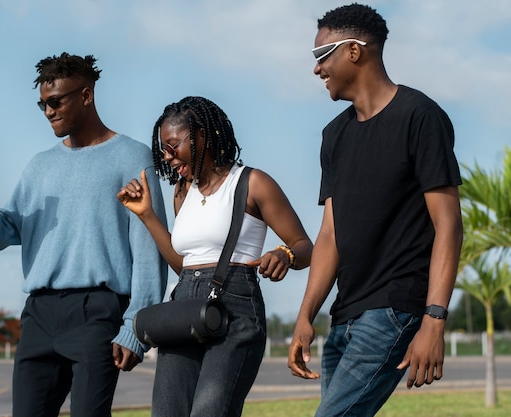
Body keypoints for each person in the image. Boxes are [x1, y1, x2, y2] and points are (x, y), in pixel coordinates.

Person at [0, 52, 167, 417]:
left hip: (98, 313)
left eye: (55, 102)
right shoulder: (39, 167)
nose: (48, 111)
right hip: (39, 314)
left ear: (85, 96)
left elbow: (149, 253)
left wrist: (135, 326)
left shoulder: (132, 157)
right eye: (42, 105)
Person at [287, 4, 463, 416]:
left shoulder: (420, 116)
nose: (316, 70)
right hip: (344, 315)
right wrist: (304, 315)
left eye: (320, 56)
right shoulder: (334, 136)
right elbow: (330, 234)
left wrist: (433, 320)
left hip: (393, 309)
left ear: (354, 50)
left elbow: (449, 225)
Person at [117, 95, 313, 416]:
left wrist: (285, 254)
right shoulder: (182, 192)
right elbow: (185, 265)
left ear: (202, 136)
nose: (167, 157)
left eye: (173, 145)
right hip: (184, 308)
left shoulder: (253, 183)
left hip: (236, 307)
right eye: (162, 149)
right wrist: (147, 215)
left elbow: (305, 245)